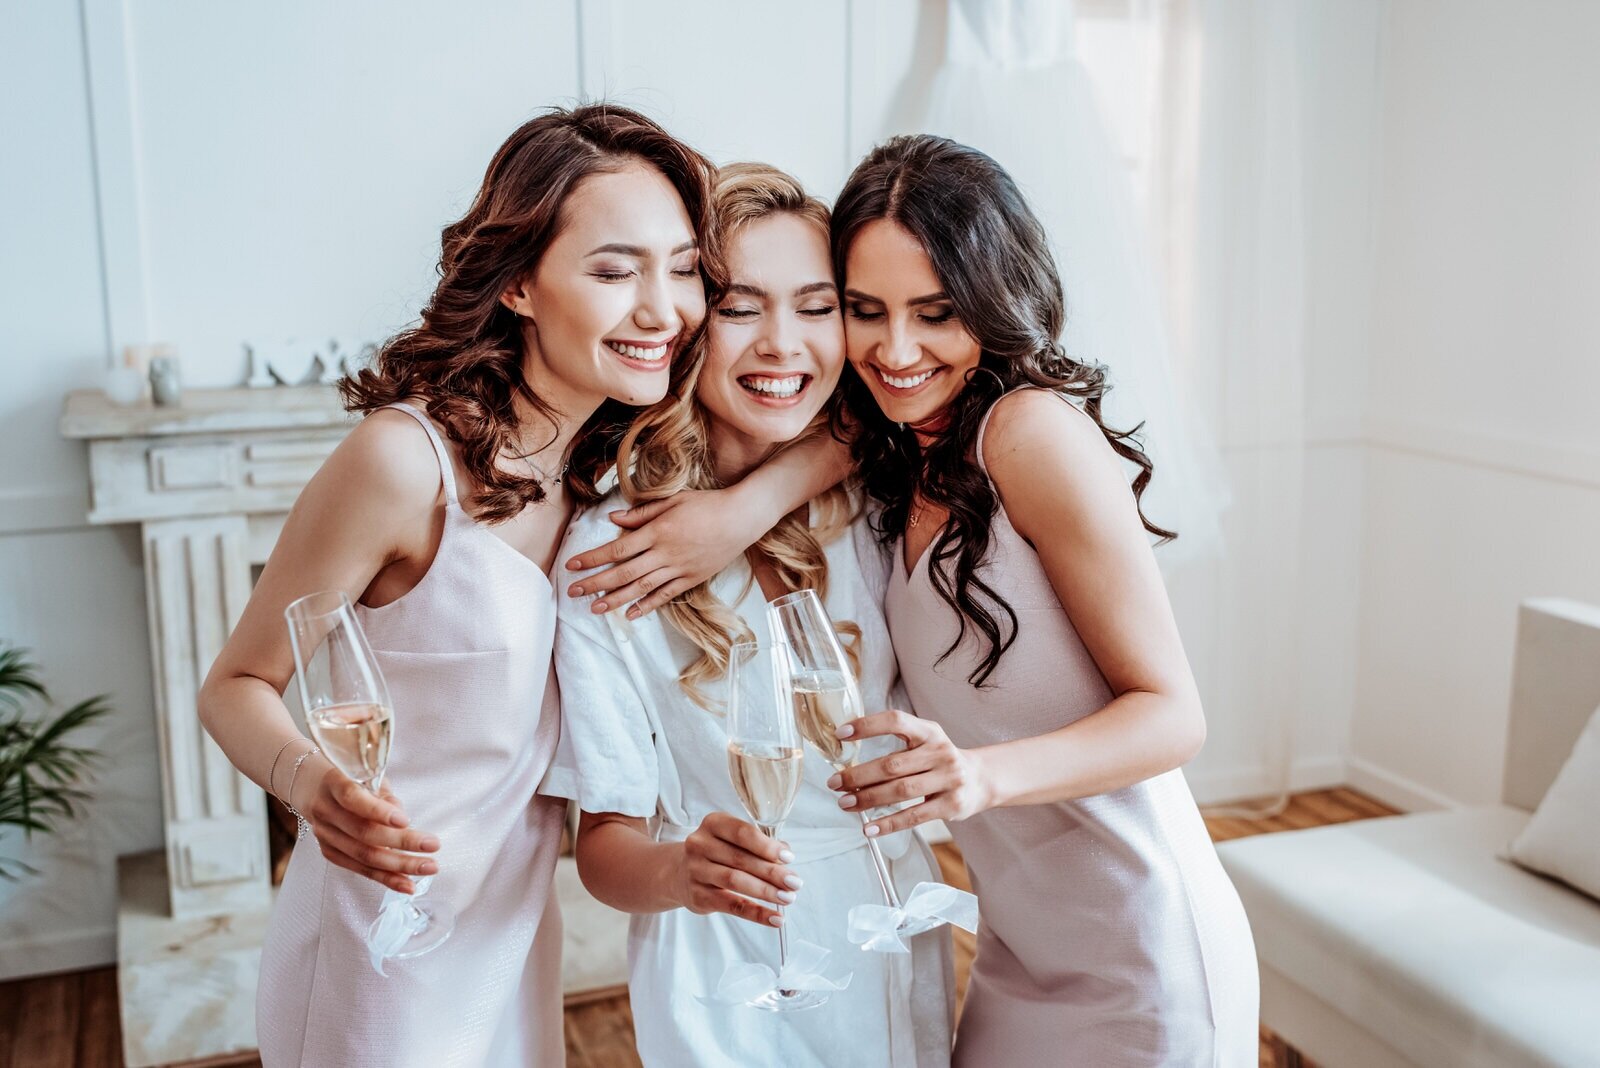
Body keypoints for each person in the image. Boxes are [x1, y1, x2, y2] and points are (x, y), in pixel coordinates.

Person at [197, 105, 832, 1068]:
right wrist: (311, 788)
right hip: (386, 935)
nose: (664, 309)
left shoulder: (604, 463)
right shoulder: (404, 465)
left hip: (511, 929)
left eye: (682, 268)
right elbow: (235, 684)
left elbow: (866, 412)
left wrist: (750, 506)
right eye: (615, 271)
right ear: (522, 285)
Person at [822, 134, 1259, 1066]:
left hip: (1139, 955)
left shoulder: (1029, 436)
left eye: (935, 313)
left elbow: (1173, 717)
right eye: (867, 311)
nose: (896, 349)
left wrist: (982, 778)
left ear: (992, 301)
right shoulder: (902, 449)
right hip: (1018, 951)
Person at [543, 162, 955, 1068]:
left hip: (890, 915)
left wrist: (748, 506)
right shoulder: (609, 549)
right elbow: (605, 844)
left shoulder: (877, 497)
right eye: (741, 308)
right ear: (691, 321)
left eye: (816, 308)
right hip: (724, 964)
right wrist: (684, 872)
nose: (784, 344)